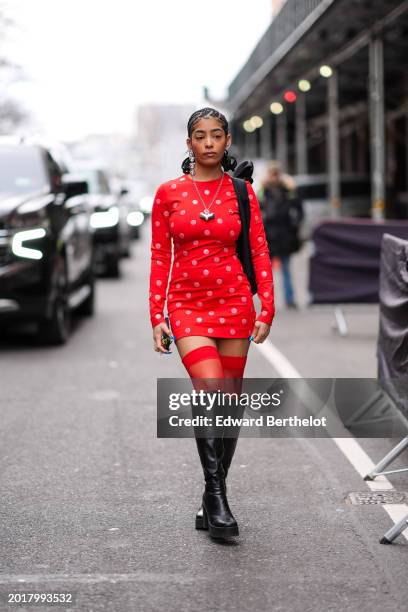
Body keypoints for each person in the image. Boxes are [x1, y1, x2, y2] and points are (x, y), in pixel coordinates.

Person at [149, 107, 275, 540]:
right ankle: (216, 494)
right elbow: (160, 257)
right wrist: (156, 316)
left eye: (216, 135)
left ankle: (210, 499)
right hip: (186, 306)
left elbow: (259, 251)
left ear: (226, 141)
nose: (207, 143)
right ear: (189, 144)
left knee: (230, 405)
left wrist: (267, 309)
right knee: (212, 390)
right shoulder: (168, 193)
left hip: (235, 303)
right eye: (199, 136)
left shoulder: (242, 192)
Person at [258, 161, 303, 309]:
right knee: (266, 272)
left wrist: (294, 226)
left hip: (284, 236)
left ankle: (289, 299)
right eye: (272, 174)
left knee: (286, 270)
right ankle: (267, 302)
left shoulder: (288, 190)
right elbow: (256, 210)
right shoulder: (263, 190)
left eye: (276, 174)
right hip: (269, 236)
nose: (275, 177)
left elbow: (298, 209)